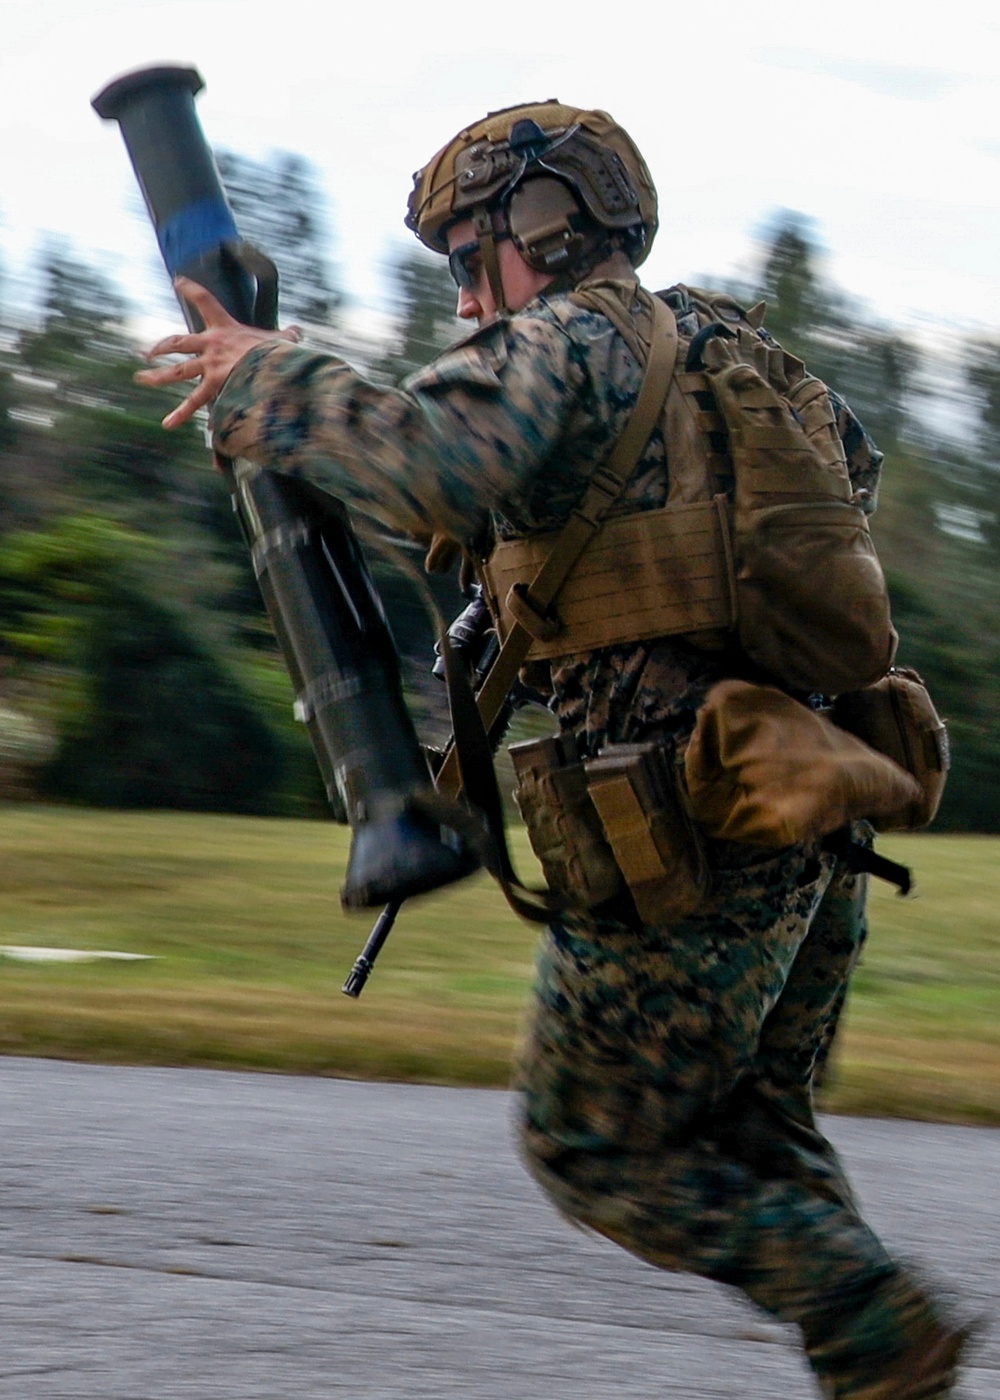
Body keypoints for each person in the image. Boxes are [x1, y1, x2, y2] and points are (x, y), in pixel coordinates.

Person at [137, 102, 967, 1399]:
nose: (467, 301)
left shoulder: (568, 343)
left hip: (684, 835)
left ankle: (880, 1319)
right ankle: (880, 1361)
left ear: (542, 229)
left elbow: (428, 462)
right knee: (746, 1131)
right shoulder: (728, 343)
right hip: (809, 815)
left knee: (594, 1146)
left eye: (474, 262)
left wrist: (267, 377)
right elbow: (827, 496)